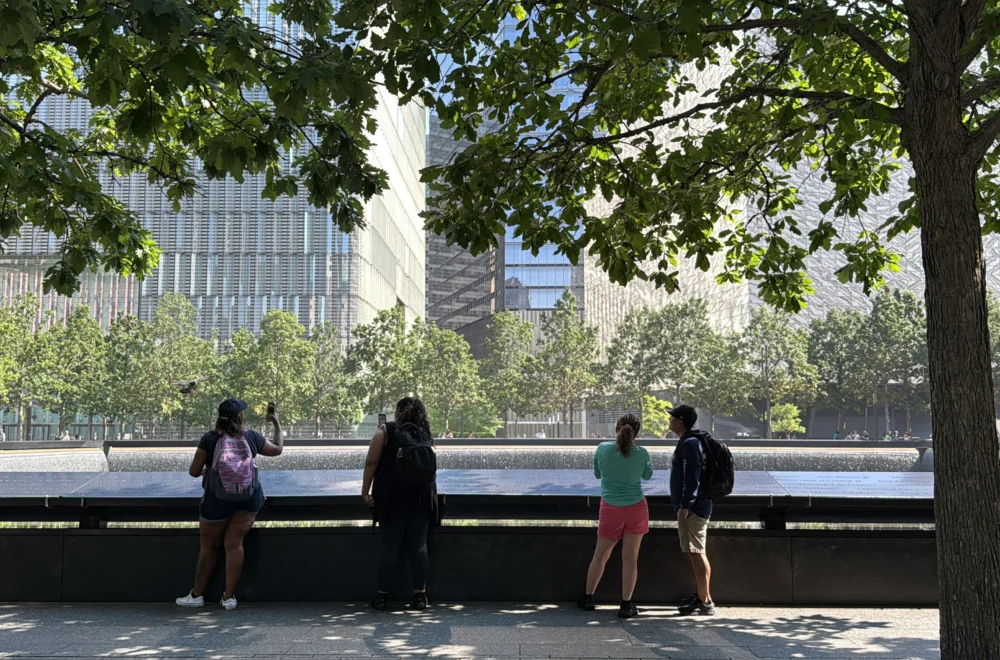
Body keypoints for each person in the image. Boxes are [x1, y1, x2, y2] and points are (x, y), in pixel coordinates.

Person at [175, 399, 283, 610]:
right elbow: (277, 449)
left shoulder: (209, 438)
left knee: (208, 546)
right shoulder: (251, 437)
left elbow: (194, 471)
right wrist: (276, 422)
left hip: (217, 499)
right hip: (248, 498)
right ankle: (229, 597)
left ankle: (197, 596)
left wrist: (208, 469)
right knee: (235, 543)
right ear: (239, 416)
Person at [362, 397, 438, 611]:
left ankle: (382, 597)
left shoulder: (385, 431)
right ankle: (420, 596)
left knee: (390, 547)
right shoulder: (424, 433)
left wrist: (365, 491)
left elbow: (371, 462)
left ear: (398, 411)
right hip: (421, 497)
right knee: (419, 546)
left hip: (391, 497)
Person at [577, 414, 652, 618]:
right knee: (630, 558)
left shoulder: (603, 448)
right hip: (636, 508)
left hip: (610, 509)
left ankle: (588, 598)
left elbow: (597, 474)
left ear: (616, 428)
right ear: (637, 433)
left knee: (600, 555)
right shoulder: (642, 453)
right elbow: (647, 476)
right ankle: (626, 605)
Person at [668, 405, 716, 616]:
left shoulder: (689, 444)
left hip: (693, 508)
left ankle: (705, 602)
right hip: (697, 505)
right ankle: (702, 596)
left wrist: (685, 505)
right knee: (695, 552)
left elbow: (692, 477)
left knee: (696, 553)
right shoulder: (693, 441)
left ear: (680, 422)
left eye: (672, 418)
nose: (669, 421)